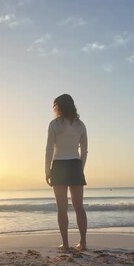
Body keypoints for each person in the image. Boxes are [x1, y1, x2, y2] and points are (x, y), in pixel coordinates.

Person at [45, 94, 88, 251]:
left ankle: (66, 244)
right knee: (79, 207)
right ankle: (83, 242)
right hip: (75, 164)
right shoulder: (80, 125)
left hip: (59, 165)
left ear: (59, 107)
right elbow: (84, 150)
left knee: (62, 208)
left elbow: (49, 149)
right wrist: (80, 168)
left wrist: (47, 170)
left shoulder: (54, 124)